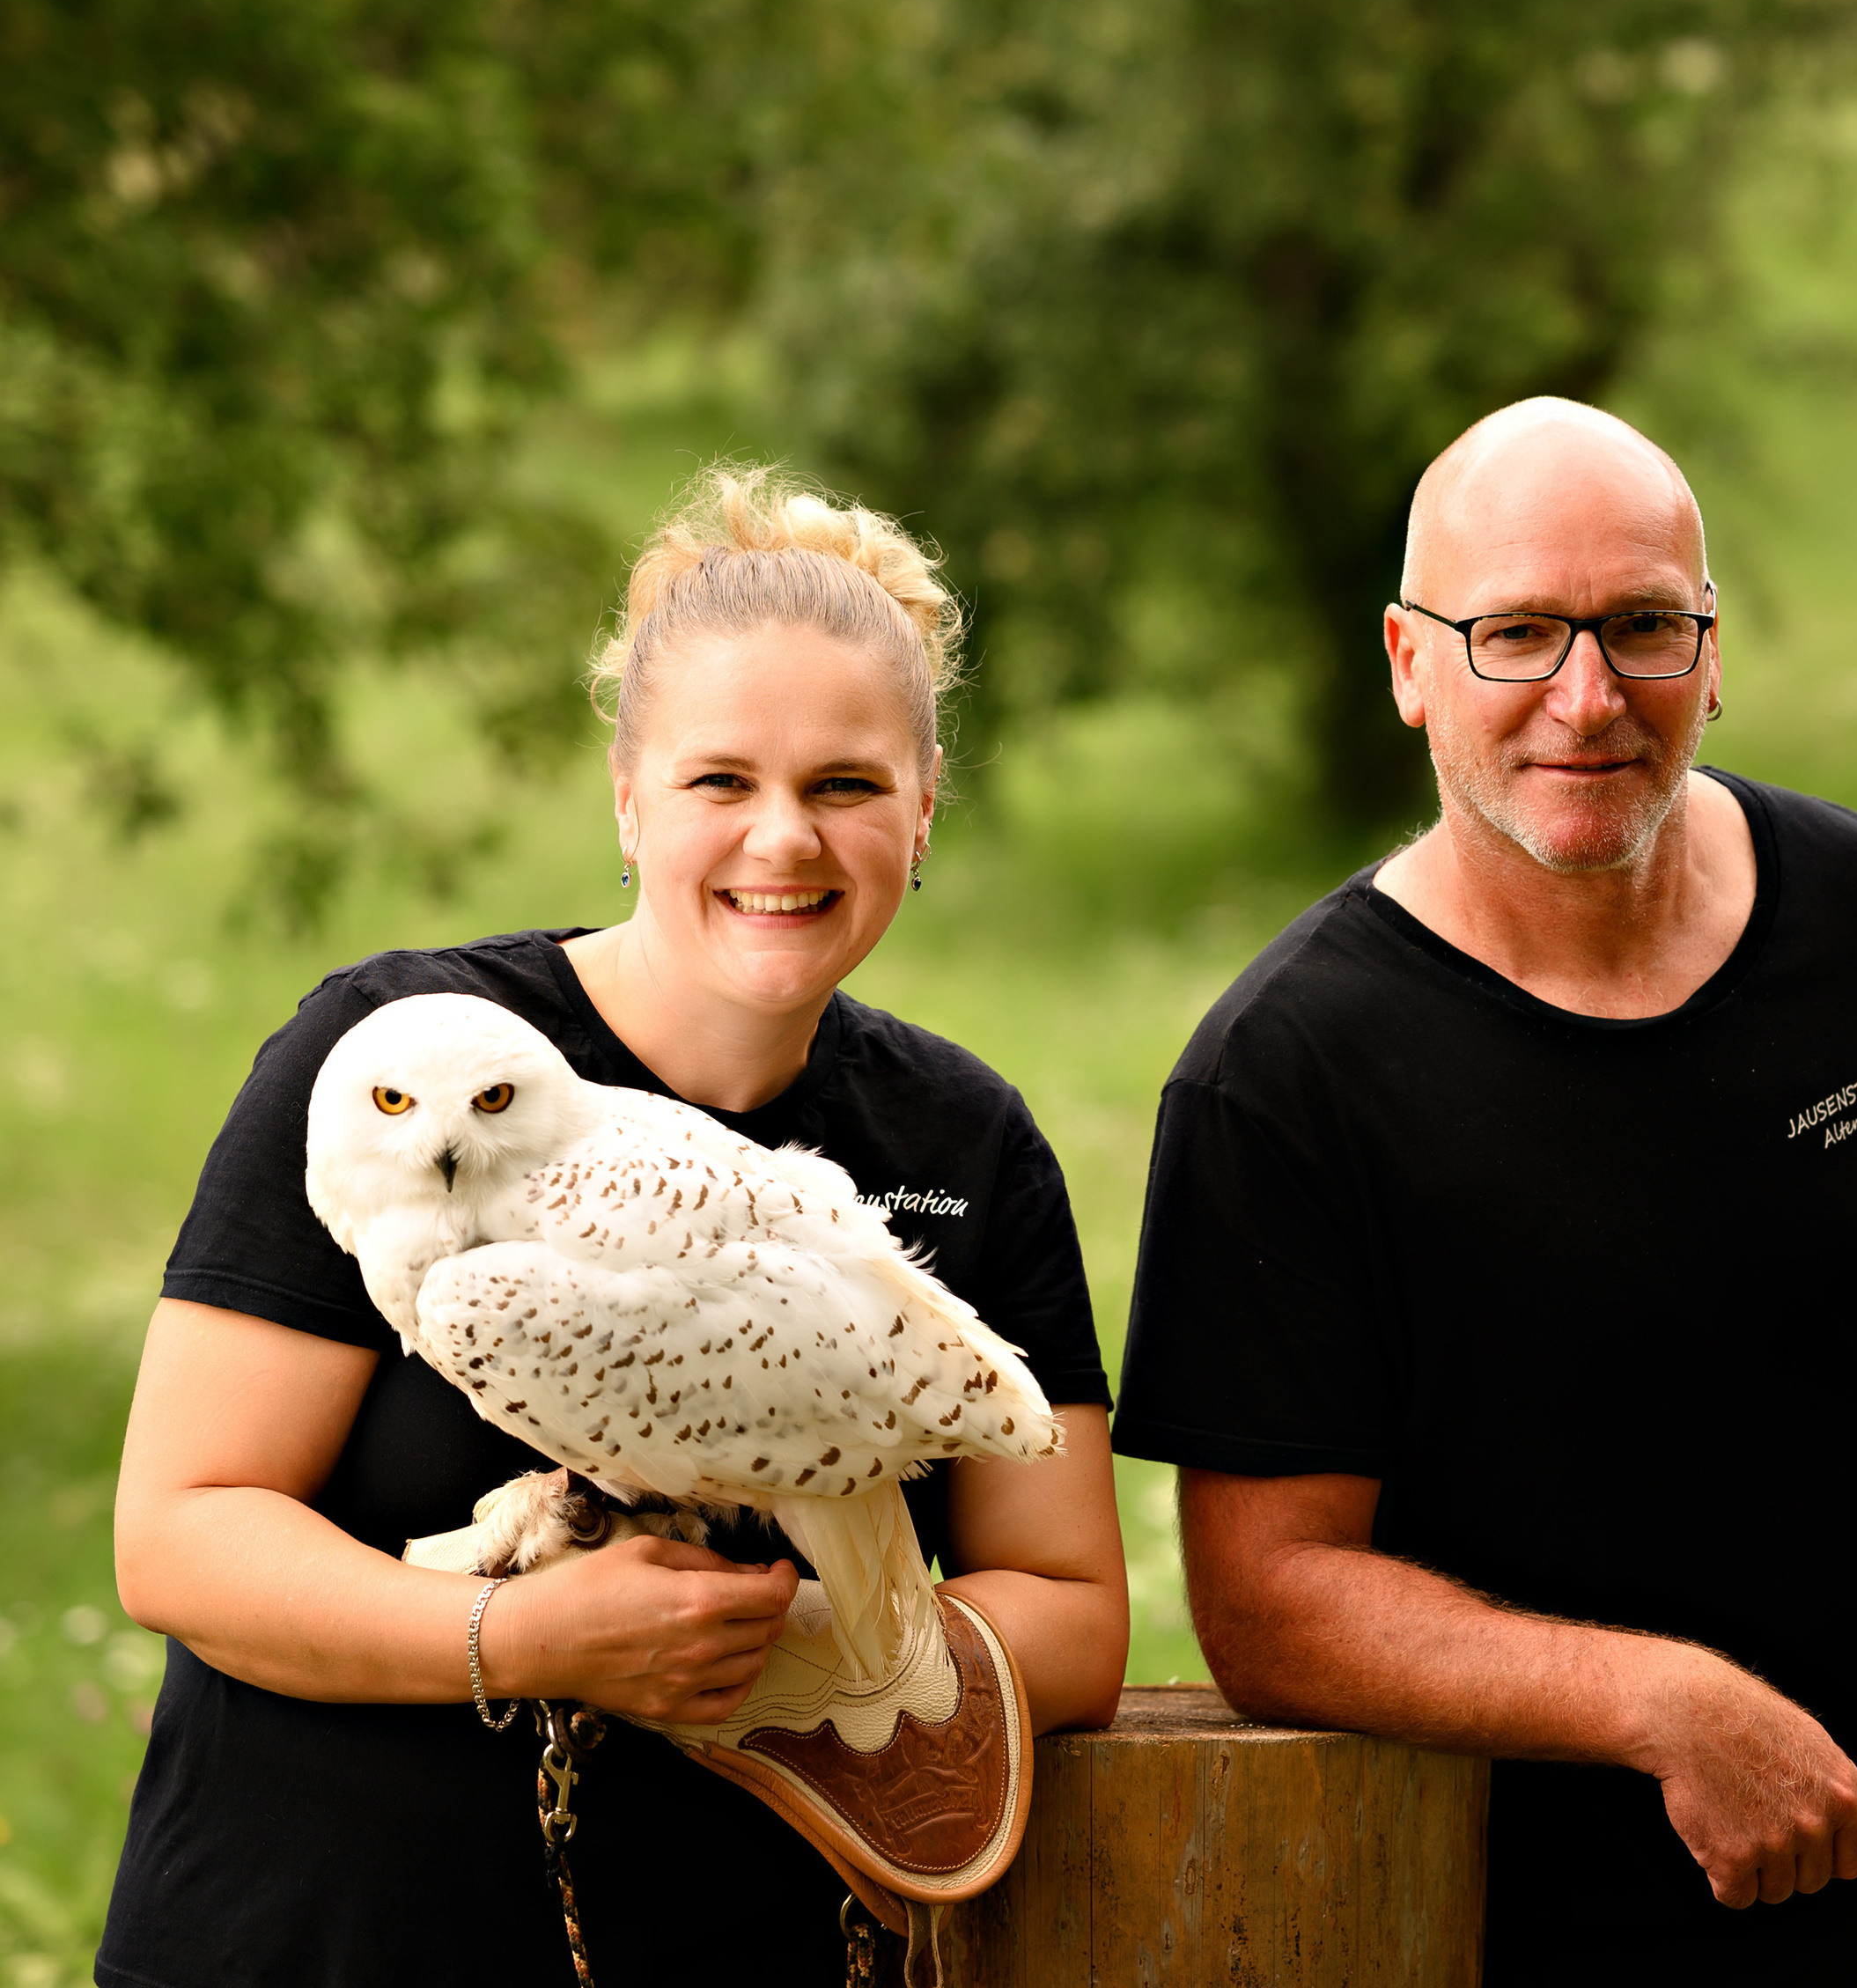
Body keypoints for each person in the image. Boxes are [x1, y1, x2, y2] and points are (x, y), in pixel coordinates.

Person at [101, 472, 1129, 1988]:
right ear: (630, 797)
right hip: (319, 1938)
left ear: (925, 812)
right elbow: (179, 1536)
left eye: (846, 784)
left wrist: (757, 1656)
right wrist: (526, 1644)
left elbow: (1073, 1616)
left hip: (741, 1948)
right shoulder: (404, 1065)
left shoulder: (959, 1142)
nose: (784, 840)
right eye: (722, 781)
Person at [1111, 398, 1857, 1988]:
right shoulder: (1287, 1076)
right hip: (1528, 1937)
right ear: (1411, 665)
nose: (1587, 696)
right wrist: (1661, 1708)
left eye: (1640, 628)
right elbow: (1268, 1599)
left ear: (1711, 645)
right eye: (1520, 633)